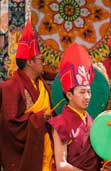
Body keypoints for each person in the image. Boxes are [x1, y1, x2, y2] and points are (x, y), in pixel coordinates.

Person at [48, 43, 111, 171]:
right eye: (82, 92)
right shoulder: (60, 124)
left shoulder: (92, 122)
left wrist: (105, 166)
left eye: (89, 92)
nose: (87, 96)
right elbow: (61, 165)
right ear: (69, 95)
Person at [0, 21, 53, 171]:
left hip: (45, 147)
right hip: (23, 156)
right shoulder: (10, 87)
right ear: (30, 62)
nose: (44, 63)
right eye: (41, 59)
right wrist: (39, 118)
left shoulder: (43, 86)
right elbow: (10, 125)